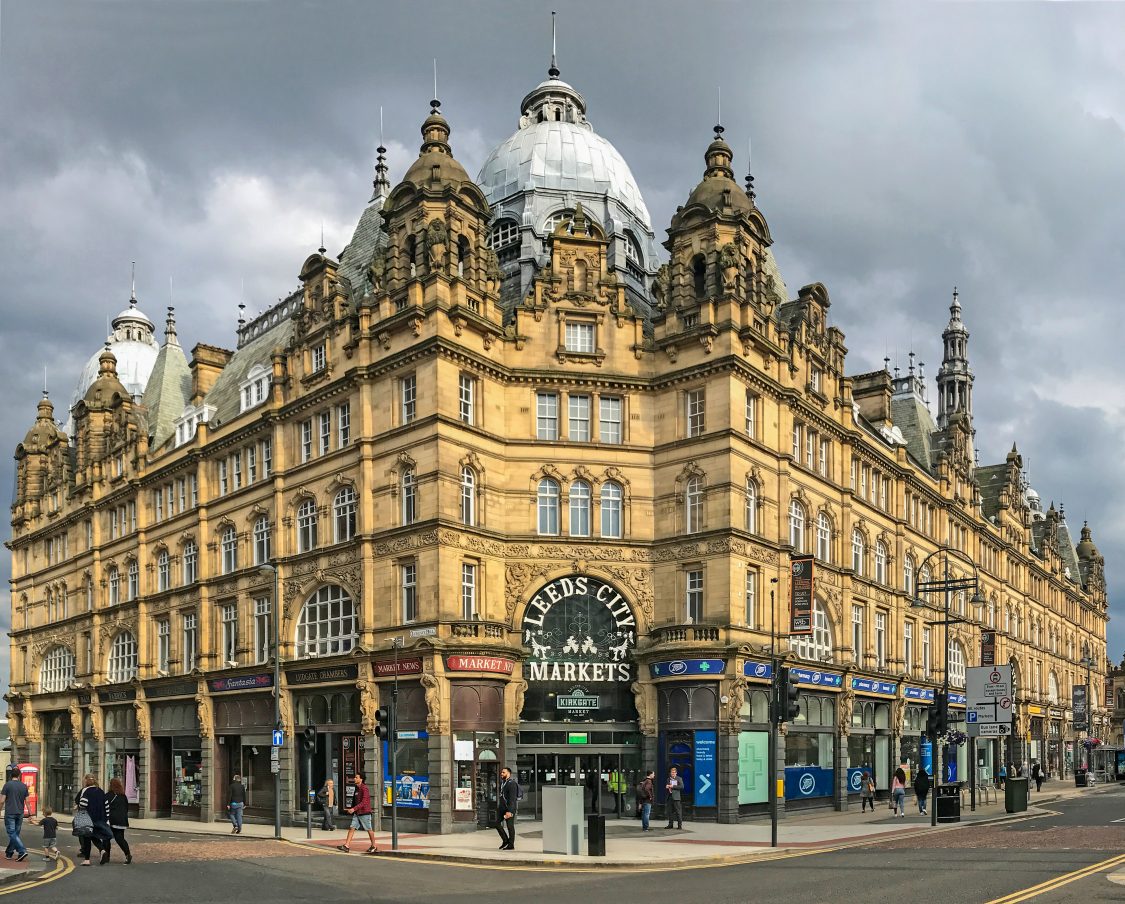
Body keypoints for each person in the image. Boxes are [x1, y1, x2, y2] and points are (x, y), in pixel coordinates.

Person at [75, 774, 111, 866]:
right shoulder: (101, 791)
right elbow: (106, 805)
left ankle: (87, 859)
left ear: (86, 781)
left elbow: (83, 804)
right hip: (100, 818)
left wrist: (78, 807)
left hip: (88, 818)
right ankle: (102, 850)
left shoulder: (85, 791)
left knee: (87, 838)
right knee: (94, 836)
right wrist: (106, 818)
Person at [336, 773, 377, 854]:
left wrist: (354, 809)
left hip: (365, 812)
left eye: (356, 777)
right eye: (355, 777)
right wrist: (351, 809)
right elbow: (355, 801)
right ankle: (346, 846)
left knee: (369, 829)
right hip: (357, 813)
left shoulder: (364, 788)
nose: (354, 778)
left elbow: (364, 802)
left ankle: (374, 846)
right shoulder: (357, 788)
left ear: (361, 779)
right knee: (352, 828)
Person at [1, 768, 30, 862]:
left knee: (11, 833)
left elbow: (2, 801)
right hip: (20, 813)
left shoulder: (7, 785)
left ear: (11, 775)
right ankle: (9, 853)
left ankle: (22, 851)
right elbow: (28, 802)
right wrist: (30, 814)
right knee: (15, 834)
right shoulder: (24, 786)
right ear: (19, 775)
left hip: (10, 812)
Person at [105, 778, 132, 864]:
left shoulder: (108, 795)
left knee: (106, 838)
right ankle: (128, 854)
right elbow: (126, 808)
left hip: (111, 820)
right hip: (122, 820)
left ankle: (107, 856)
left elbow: (105, 807)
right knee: (120, 838)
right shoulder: (123, 796)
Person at [495, 766, 519, 851]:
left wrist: (510, 811)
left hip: (509, 808)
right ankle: (505, 841)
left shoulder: (511, 783)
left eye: (503, 772)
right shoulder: (503, 783)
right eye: (501, 772)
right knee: (497, 824)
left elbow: (512, 798)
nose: (501, 774)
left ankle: (511, 844)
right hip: (502, 808)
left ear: (508, 774)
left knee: (510, 826)